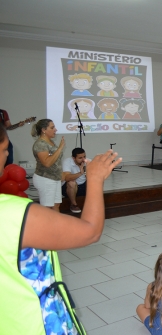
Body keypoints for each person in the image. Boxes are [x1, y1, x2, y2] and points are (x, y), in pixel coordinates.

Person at [1, 121, 122, 334]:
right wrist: (94, 178)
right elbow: (90, 231)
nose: (6, 157)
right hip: (27, 323)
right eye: (4, 150)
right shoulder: (12, 212)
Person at [31, 119, 65, 212]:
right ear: (43, 130)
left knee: (56, 205)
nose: (55, 130)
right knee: (47, 207)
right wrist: (60, 148)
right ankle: (45, 226)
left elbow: (56, 160)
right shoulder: (40, 144)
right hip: (45, 179)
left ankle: (57, 226)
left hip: (55, 178)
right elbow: (47, 163)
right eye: (52, 127)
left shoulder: (50, 142)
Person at [61, 147, 87, 213]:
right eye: (80, 158)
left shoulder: (87, 161)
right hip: (68, 188)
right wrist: (81, 173)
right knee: (71, 182)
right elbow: (66, 178)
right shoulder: (67, 162)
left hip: (82, 186)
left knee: (95, 182)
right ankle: (74, 205)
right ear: (73, 158)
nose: (83, 159)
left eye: (84, 157)